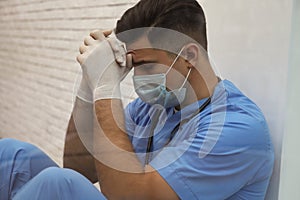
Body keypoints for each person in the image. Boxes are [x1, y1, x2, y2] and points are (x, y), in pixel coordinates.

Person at [0, 0, 274, 199]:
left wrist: (107, 88)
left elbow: (133, 196)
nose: (135, 76)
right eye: (130, 65)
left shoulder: (236, 128)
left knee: (57, 186)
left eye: (145, 65)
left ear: (189, 56)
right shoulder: (152, 108)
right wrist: (90, 84)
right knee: (13, 156)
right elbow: (80, 167)